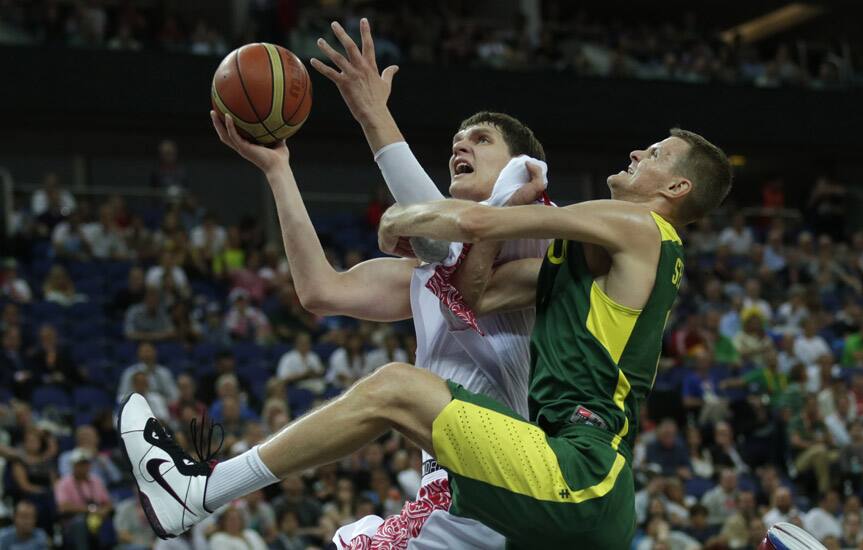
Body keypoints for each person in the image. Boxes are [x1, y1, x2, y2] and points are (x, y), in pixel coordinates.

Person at [120, 17, 731, 547]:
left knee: (395, 387)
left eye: (653, 155)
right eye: (456, 143)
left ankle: (199, 491)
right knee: (396, 388)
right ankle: (197, 491)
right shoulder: (547, 270)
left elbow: (460, 224)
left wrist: (382, 145)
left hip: (562, 470)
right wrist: (281, 172)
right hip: (501, 482)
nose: (634, 155)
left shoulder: (570, 225)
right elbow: (340, 291)